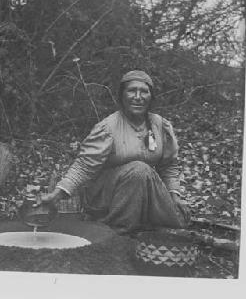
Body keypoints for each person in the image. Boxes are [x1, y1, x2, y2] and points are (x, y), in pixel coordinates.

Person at [36, 70, 190, 235]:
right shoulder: (108, 127)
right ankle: (117, 233)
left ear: (151, 97)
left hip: (142, 191)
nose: (138, 97)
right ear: (122, 96)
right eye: (132, 91)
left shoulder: (160, 125)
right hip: (105, 196)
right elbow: (84, 166)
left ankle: (141, 222)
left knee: (179, 220)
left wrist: (174, 194)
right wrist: (57, 195)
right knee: (139, 169)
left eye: (144, 91)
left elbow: (168, 166)